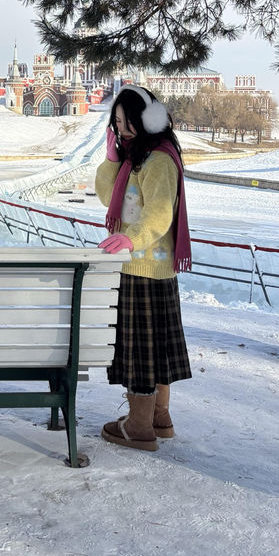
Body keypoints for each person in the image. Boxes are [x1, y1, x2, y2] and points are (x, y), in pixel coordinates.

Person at [95, 85, 192, 451]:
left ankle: (138, 425)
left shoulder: (160, 160)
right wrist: (111, 160)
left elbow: (159, 213)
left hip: (147, 268)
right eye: (117, 123)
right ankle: (158, 417)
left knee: (140, 349)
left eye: (128, 121)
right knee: (155, 348)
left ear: (147, 119)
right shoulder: (135, 159)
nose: (121, 130)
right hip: (139, 267)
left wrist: (132, 239)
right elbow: (109, 198)